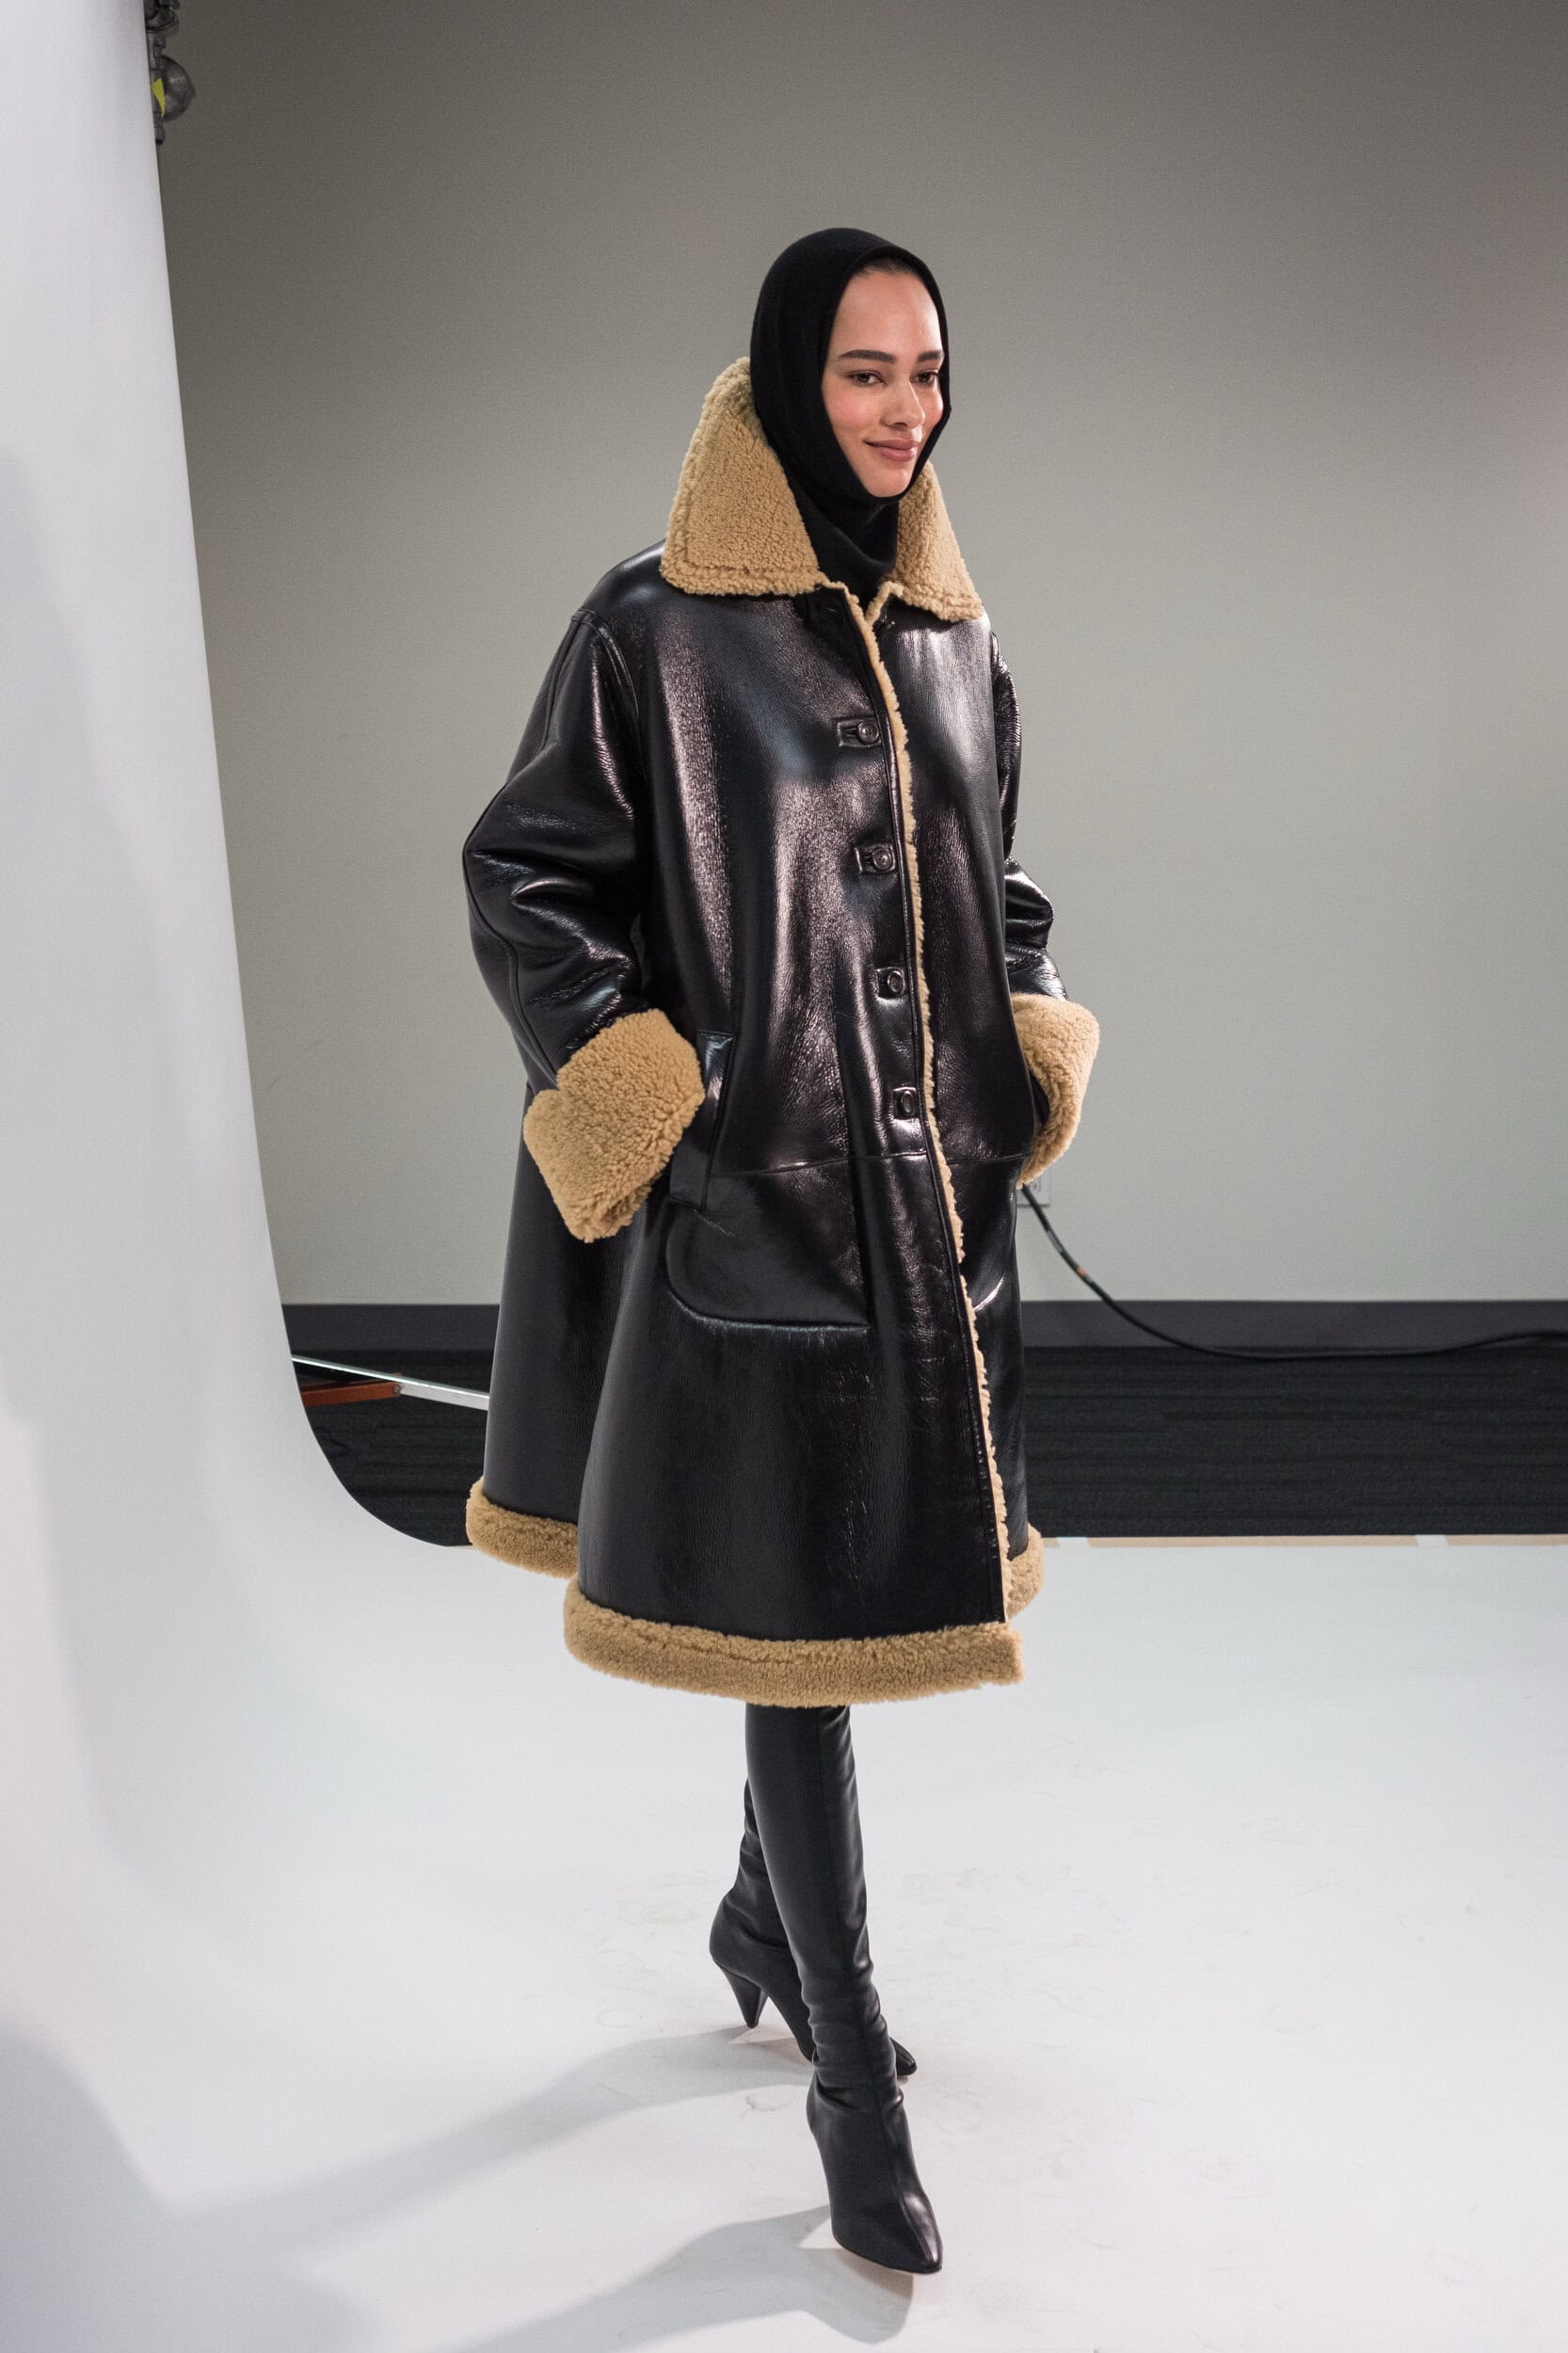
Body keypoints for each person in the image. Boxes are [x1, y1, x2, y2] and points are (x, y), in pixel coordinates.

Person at [461, 227, 1100, 2274]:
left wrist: (1025, 1045)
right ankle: (848, 2090)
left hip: (923, 1209)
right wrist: (661, 1097)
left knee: (831, 1600)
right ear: (781, 377)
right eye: (861, 370)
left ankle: (755, 1915)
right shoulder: (650, 630)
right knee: (796, 1632)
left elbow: (993, 880)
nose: (904, 408)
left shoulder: (956, 641)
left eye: (926, 370)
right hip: (755, 1207)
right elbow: (527, 873)